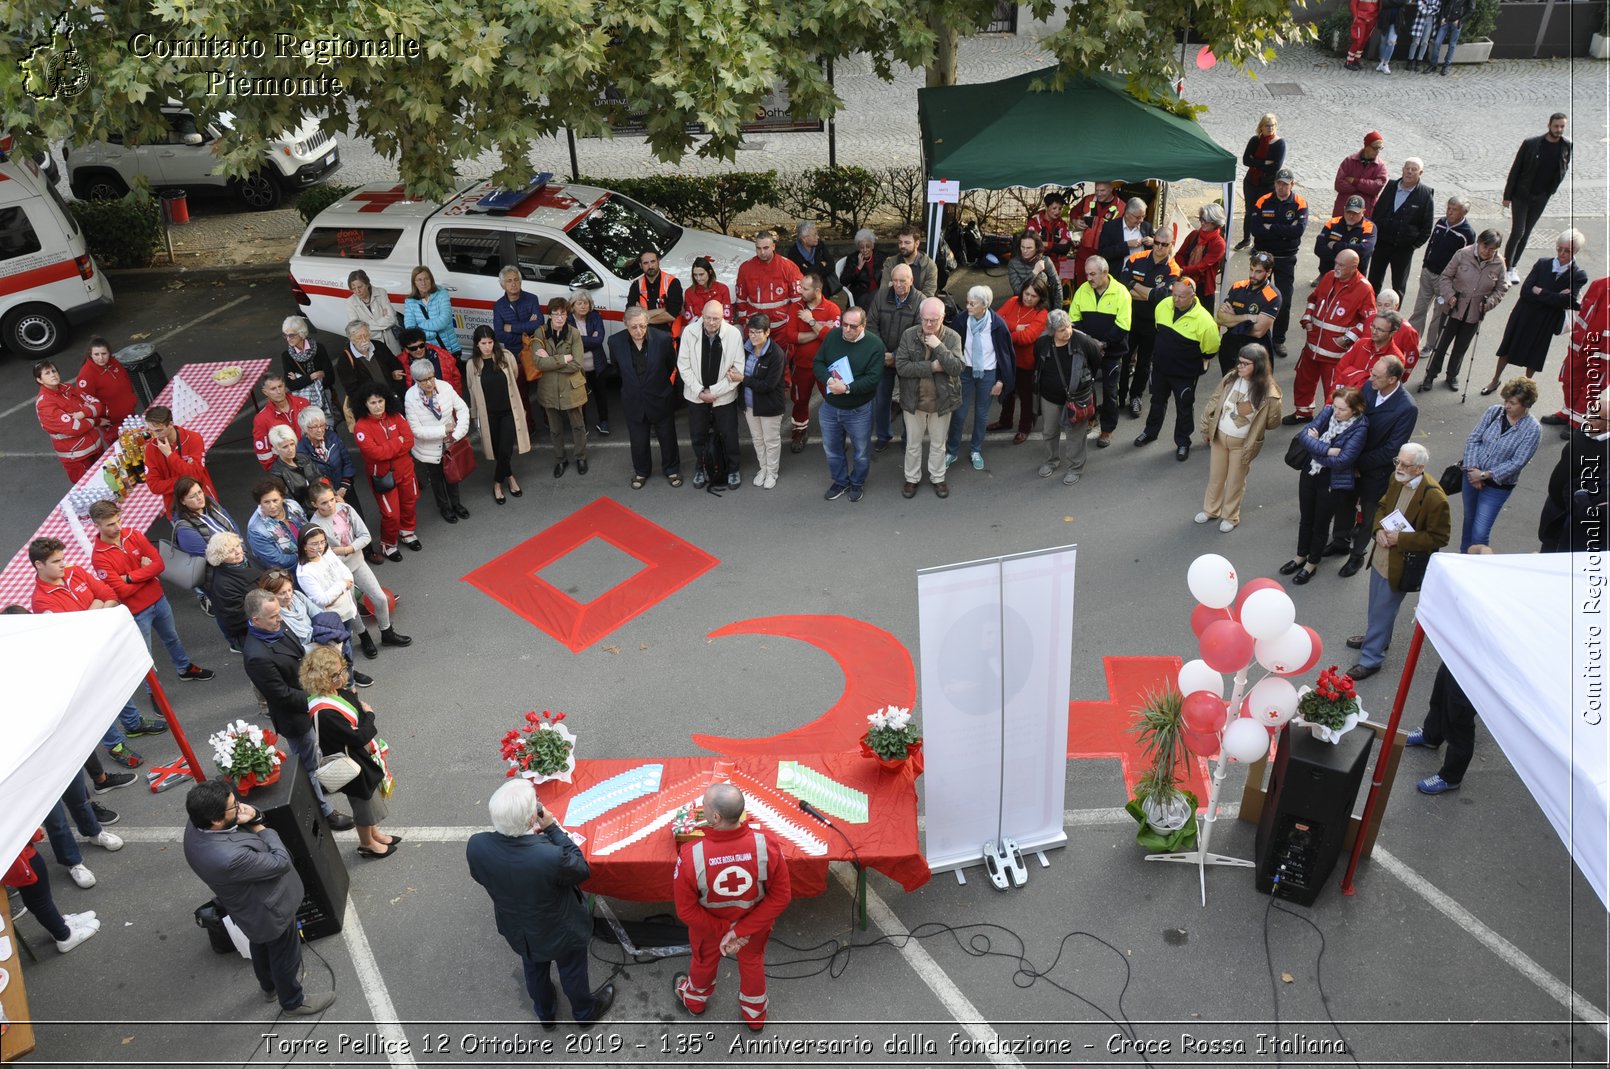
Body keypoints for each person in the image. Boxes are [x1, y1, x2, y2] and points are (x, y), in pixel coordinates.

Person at [467, 779, 615, 1027]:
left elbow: (481, 877)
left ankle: (545, 1014)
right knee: (572, 971)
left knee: (534, 970)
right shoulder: (549, 856)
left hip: (519, 929)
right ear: (530, 820)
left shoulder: (477, 845)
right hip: (561, 930)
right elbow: (580, 868)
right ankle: (584, 1013)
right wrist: (553, 830)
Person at [183, 778, 337, 1015]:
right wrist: (259, 824)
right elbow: (281, 861)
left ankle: (269, 987)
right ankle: (293, 1002)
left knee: (261, 945)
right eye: (234, 807)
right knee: (286, 955)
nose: (240, 808)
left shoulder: (195, 827)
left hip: (247, 909)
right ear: (215, 820)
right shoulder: (227, 857)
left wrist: (241, 814)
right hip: (270, 910)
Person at [29, 537, 160, 768]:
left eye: (63, 558)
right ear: (39, 565)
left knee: (119, 688)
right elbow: (72, 632)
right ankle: (115, 746)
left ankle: (133, 724)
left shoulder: (75, 571)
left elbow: (110, 595)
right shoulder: (41, 601)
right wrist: (96, 606)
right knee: (97, 704)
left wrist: (91, 612)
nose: (63, 564)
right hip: (82, 659)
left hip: (104, 646)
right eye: (56, 561)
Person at [672, 783, 792, 1032]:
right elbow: (780, 896)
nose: (701, 809)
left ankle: (695, 1001)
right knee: (752, 962)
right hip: (754, 926)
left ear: (715, 817)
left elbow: (687, 911)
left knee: (704, 962)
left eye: (704, 806)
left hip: (709, 929)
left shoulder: (691, 855)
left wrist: (726, 930)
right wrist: (740, 931)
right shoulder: (765, 845)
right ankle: (755, 1014)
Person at [240, 588, 355, 830]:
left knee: (317, 754)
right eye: (272, 617)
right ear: (255, 620)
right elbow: (281, 696)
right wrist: (320, 699)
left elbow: (300, 658)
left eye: (278, 614)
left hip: (310, 701)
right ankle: (325, 811)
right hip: (297, 718)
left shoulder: (276, 628)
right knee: (310, 764)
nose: (280, 620)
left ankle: (320, 789)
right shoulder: (256, 656)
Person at [1345, 442, 1451, 680]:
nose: (1399, 467)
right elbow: (1382, 506)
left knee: (1383, 610)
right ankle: (1378, 638)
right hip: (1381, 555)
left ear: (1420, 467)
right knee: (1377, 606)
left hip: (1400, 564)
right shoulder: (1397, 479)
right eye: (1398, 462)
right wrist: (1378, 530)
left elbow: (1439, 537)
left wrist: (1400, 539)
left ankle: (1371, 659)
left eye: (1405, 464)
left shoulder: (1435, 498)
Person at [89, 499, 214, 682]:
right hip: (137, 611)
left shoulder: (135, 535)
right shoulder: (99, 558)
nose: (117, 527)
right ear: (96, 525)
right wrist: (146, 574)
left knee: (172, 638)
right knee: (144, 655)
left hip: (158, 600)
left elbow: (159, 565)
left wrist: (130, 577)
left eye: (118, 520)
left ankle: (184, 667)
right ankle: (154, 693)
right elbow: (122, 591)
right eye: (110, 524)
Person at [301, 644, 398, 857]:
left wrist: (364, 718)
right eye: (335, 674)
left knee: (370, 798)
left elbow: (358, 718)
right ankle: (367, 843)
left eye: (342, 670)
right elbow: (360, 734)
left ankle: (374, 835)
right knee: (363, 804)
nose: (342, 677)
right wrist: (370, 716)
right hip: (351, 761)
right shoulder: (325, 711)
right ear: (321, 677)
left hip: (356, 755)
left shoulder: (337, 691)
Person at [1331, 355, 1419, 575]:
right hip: (1353, 464)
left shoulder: (1406, 408)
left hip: (1375, 472)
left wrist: (1358, 461)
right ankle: (1340, 542)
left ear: (1392, 379)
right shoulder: (1369, 388)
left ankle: (1357, 555)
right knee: (1344, 504)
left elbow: (1392, 449)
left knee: (1369, 515)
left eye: (1376, 376)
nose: (1370, 378)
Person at [307, 482, 409, 655]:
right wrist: (347, 551)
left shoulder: (345, 508)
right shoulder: (315, 526)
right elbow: (321, 555)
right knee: (352, 609)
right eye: (324, 503)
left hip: (357, 563)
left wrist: (346, 549)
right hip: (337, 573)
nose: (330, 505)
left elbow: (365, 536)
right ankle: (364, 638)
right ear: (314, 504)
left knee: (380, 598)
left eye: (332, 499)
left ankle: (387, 632)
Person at [1484, 229, 1589, 393]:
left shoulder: (1578, 275)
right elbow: (1525, 291)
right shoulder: (1543, 263)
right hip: (1523, 314)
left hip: (1546, 321)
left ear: (1576, 251)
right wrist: (1555, 297)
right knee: (1507, 348)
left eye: (1567, 251)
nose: (1561, 254)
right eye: (1559, 248)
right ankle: (1494, 380)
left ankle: (1525, 390)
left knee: (1534, 356)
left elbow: (1569, 302)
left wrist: (1540, 291)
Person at [1284, 386, 1369, 584]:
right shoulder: (1328, 410)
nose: (1336, 412)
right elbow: (1304, 435)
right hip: (1310, 472)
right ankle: (1300, 556)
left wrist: (1315, 447)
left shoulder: (1360, 428)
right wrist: (1328, 450)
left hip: (1331, 480)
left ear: (1355, 410)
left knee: (1320, 523)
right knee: (1306, 518)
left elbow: (1343, 461)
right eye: (1336, 406)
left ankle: (1311, 564)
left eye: (1342, 410)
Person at [1195, 347, 1284, 531]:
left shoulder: (1269, 391)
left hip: (1243, 443)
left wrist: (1275, 399)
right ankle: (1211, 510)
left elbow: (1273, 422)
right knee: (1216, 477)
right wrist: (1205, 427)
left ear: (1258, 366)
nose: (1240, 366)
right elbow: (1215, 400)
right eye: (1239, 361)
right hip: (1219, 437)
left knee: (1236, 480)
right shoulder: (1231, 377)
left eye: (1245, 364)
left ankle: (1231, 516)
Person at [1285, 249, 1376, 424]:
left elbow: (1368, 321)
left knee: (1333, 389)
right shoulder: (1328, 277)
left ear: (1354, 267)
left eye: (1341, 265)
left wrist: (1348, 338)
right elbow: (1313, 298)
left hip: (1335, 354)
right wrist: (1307, 318)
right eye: (1335, 263)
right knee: (1303, 380)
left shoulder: (1364, 289)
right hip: (1312, 345)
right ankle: (1303, 413)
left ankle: (1333, 421)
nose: (1336, 267)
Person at [1135, 278, 1222, 462]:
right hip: (1160, 369)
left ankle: (1183, 442)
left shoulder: (1205, 321)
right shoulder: (1163, 306)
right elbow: (1158, 328)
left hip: (1184, 375)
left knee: (1184, 407)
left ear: (1193, 296)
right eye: (1174, 294)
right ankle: (1150, 432)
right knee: (1157, 401)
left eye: (1181, 296)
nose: (1176, 299)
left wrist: (1199, 364)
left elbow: (1211, 349)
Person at [1456, 379, 1542, 550]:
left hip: (1497, 485)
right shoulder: (1494, 412)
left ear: (1526, 404)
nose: (1507, 405)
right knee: (1469, 520)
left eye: (1512, 403)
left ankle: (1479, 565)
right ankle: (1463, 556)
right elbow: (1474, 439)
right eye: (1506, 401)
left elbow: (1518, 461)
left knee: (1480, 531)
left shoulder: (1533, 429)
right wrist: (1473, 471)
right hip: (1471, 476)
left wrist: (1484, 475)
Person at [1420, 229, 1508, 392]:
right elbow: (1446, 277)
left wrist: (1488, 303)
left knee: (1461, 347)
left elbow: (1501, 288)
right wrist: (1450, 295)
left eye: (1492, 249)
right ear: (1479, 242)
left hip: (1474, 312)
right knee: (1442, 343)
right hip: (1453, 307)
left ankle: (1452, 375)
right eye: (1485, 247)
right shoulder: (1463, 254)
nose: (1487, 252)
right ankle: (1430, 375)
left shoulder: (1499, 263)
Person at [814, 306, 886, 501]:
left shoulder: (875, 345)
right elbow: (818, 362)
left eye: (853, 326)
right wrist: (829, 381)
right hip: (830, 408)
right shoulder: (833, 336)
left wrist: (846, 388)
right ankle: (840, 481)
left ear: (863, 326)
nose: (847, 330)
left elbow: (873, 379)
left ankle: (857, 482)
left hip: (858, 410)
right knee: (832, 450)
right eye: (844, 324)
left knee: (861, 452)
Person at [895, 297, 964, 498]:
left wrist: (939, 347)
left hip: (942, 401)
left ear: (943, 318)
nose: (928, 324)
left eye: (934, 320)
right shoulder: (909, 335)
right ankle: (912, 478)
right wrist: (931, 367)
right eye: (925, 319)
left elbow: (957, 368)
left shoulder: (952, 337)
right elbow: (901, 366)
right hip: (914, 401)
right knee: (913, 444)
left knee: (938, 444)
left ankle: (938, 477)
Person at [611, 307, 683, 489]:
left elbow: (670, 366)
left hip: (660, 396)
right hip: (633, 399)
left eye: (643, 326)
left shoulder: (663, 339)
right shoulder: (615, 342)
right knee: (638, 439)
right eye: (634, 327)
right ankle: (641, 471)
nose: (639, 331)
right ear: (625, 324)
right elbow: (618, 369)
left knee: (667, 437)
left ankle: (672, 469)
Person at [946, 285, 1016, 470]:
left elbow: (1006, 355)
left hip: (988, 373)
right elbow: (952, 346)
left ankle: (975, 449)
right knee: (959, 413)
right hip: (966, 372)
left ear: (984, 306)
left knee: (982, 414)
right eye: (967, 302)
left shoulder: (998, 325)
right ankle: (951, 450)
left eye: (972, 303)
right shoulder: (961, 321)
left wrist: (1001, 380)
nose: (967, 306)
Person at [349, 382, 422, 559]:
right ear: (364, 404)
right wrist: (397, 442)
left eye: (380, 401)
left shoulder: (396, 416)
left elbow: (409, 441)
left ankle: (407, 533)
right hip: (383, 477)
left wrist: (389, 448)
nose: (378, 406)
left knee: (409, 504)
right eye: (373, 402)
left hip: (406, 471)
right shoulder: (361, 427)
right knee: (391, 515)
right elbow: (375, 453)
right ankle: (388, 544)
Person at [296, 407, 378, 564]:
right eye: (315, 427)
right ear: (306, 430)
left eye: (322, 425)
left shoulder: (332, 436)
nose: (321, 430)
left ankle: (368, 551)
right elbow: (312, 478)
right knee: (336, 527)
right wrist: (334, 495)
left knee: (356, 520)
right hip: (326, 495)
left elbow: (347, 461)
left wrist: (344, 487)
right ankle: (345, 558)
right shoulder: (301, 451)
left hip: (345, 488)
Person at [678, 299, 745, 489]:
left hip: (723, 397)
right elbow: (684, 366)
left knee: (729, 434)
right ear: (702, 315)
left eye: (716, 319)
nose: (712, 323)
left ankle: (733, 470)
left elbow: (737, 369)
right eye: (708, 318)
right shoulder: (689, 332)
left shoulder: (733, 334)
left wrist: (714, 392)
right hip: (695, 396)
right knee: (698, 435)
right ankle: (701, 467)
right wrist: (699, 391)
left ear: (723, 317)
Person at [1068, 255, 1132, 447]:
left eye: (1093, 274)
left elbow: (1123, 325)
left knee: (1110, 391)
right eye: (1087, 274)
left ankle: (1107, 429)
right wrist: (1090, 343)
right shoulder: (1082, 290)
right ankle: (1090, 418)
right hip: (1088, 350)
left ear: (1105, 272)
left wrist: (1103, 344)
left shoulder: (1121, 292)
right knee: (1087, 388)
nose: (1089, 278)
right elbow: (1074, 319)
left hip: (1112, 352)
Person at [1034, 309, 1103, 487]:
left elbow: (1095, 360)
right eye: (1062, 330)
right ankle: (1051, 461)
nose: (1068, 332)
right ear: (1052, 331)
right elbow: (1038, 365)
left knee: (1075, 435)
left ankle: (1075, 468)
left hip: (1077, 398)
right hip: (1049, 398)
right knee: (1049, 432)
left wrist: (1085, 383)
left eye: (1068, 327)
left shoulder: (1083, 341)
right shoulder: (1042, 342)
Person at [1118, 229, 1181, 418]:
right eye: (1157, 243)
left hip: (1153, 324)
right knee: (1124, 359)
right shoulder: (1137, 258)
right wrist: (1149, 292)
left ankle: (1135, 397)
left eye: (1164, 244)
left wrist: (1134, 286)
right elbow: (1122, 285)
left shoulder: (1173, 269)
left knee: (1144, 363)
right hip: (1129, 318)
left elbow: (1161, 298)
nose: (1159, 247)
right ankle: (1118, 397)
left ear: (1171, 245)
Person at [7, 827, 100, 954]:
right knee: (40, 900)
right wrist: (36, 832)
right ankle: (64, 936)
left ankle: (57, 925)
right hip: (21, 858)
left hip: (13, 859)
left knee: (33, 898)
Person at [464, 325, 530, 504]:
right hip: (489, 415)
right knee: (498, 449)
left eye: (490, 342)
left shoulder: (506, 357)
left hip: (508, 412)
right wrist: (474, 415)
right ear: (477, 344)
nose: (487, 346)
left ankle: (498, 483)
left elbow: (514, 377)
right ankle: (509, 476)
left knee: (505, 449)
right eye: (483, 343)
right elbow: (472, 390)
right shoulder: (472, 364)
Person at [1539, 387, 1609, 552]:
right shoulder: (1584, 430)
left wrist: (1573, 505)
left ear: (1607, 426)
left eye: (1594, 417)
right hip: (1553, 502)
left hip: (1571, 512)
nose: (1586, 418)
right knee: (1546, 543)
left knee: (1559, 553)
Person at [1502, 114, 1572, 279]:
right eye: (1556, 126)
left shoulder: (1567, 145)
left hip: (1541, 196)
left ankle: (1512, 267)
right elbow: (1516, 169)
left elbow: (1563, 167)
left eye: (1562, 126)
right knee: (1518, 231)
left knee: (1526, 233)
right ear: (1549, 125)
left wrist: (1550, 191)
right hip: (1522, 194)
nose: (1559, 130)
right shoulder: (1531, 144)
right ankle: (1505, 267)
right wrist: (1507, 195)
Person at [403, 357, 472, 523]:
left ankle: (456, 504)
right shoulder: (410, 397)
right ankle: (444, 508)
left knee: (452, 473)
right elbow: (416, 430)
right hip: (428, 447)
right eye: (424, 380)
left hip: (450, 441)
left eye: (431, 377)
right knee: (436, 478)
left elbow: (462, 409)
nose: (429, 383)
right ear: (415, 380)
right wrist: (443, 430)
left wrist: (457, 434)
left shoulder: (445, 387)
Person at [1249, 169, 1309, 357]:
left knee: (1284, 300)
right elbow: (1255, 229)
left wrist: (1271, 227)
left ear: (1292, 184)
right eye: (1278, 183)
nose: (1281, 187)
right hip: (1262, 257)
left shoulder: (1300, 203)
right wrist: (1283, 231)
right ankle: (1253, 335)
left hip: (1285, 258)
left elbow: (1298, 231)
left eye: (1285, 184)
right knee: (1254, 297)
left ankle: (1278, 339)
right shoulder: (1263, 200)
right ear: (1274, 183)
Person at [1406, 195, 1475, 355]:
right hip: (1428, 272)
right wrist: (1425, 264)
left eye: (1454, 210)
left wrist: (1454, 282)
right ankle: (1411, 340)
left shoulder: (1467, 233)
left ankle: (1430, 345)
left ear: (1463, 213)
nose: (1449, 212)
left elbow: (1466, 261)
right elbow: (1431, 244)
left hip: (1446, 280)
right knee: (1419, 309)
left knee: (1439, 313)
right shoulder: (1441, 223)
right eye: (1448, 208)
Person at [864, 264, 921, 454]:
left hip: (907, 360)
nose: (898, 285)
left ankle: (908, 438)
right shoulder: (880, 296)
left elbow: (919, 335)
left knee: (908, 401)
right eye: (895, 280)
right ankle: (882, 436)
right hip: (882, 357)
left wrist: (896, 356)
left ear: (911, 281)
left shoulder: (921, 301)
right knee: (881, 400)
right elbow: (871, 325)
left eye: (902, 281)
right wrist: (883, 354)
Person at [1406, 655, 1480, 795]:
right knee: (1441, 690)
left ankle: (1451, 777)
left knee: (1459, 713)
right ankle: (1431, 735)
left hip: (1478, 659)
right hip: (1458, 650)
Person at [532, 300, 591, 478]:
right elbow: (538, 363)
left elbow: (578, 364)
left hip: (572, 388)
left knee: (578, 426)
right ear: (549, 315)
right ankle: (560, 459)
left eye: (563, 314)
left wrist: (550, 360)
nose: (559, 318)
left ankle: (581, 457)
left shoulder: (574, 333)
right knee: (555, 429)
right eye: (556, 314)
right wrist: (564, 358)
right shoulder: (540, 333)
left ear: (567, 315)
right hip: (549, 389)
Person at [787, 273, 842, 455]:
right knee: (800, 401)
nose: (799, 291)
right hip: (802, 366)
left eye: (805, 288)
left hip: (826, 367)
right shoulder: (795, 308)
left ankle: (837, 434)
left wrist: (811, 321)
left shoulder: (832, 309)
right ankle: (799, 432)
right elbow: (791, 336)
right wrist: (819, 328)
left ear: (817, 291)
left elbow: (832, 337)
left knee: (833, 400)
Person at [992, 277, 1051, 442]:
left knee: (1026, 397)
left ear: (1041, 297)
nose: (1029, 298)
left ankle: (1025, 428)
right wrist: (1015, 327)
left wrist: (1005, 333)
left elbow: (1027, 337)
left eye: (1034, 296)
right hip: (1007, 359)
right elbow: (995, 320)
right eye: (1027, 294)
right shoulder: (1012, 301)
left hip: (1026, 363)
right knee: (1007, 393)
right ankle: (1005, 421)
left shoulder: (1042, 313)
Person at [733, 315, 787, 489]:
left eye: (758, 332)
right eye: (751, 332)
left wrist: (743, 379)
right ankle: (763, 469)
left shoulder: (776, 354)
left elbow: (768, 385)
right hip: (749, 405)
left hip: (769, 405)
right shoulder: (745, 348)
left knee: (770, 440)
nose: (753, 336)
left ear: (768, 332)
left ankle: (772, 472)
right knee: (757, 439)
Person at [1367, 159, 1435, 296]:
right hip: (1382, 244)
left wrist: (1413, 245)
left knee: (1398, 285)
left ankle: (1393, 315)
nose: (1409, 172)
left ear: (1420, 173)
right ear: (1402, 169)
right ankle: (1369, 310)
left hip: (1403, 249)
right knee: (1373, 280)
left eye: (1414, 169)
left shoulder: (1425, 194)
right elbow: (1378, 212)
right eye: (1407, 168)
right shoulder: (1391, 185)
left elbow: (1427, 227)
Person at [172, 475, 238, 614]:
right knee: (232, 610)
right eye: (192, 497)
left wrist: (239, 547)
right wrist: (237, 555)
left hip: (236, 558)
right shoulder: (184, 529)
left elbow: (232, 524)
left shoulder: (211, 503)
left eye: (199, 492)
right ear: (182, 501)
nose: (199, 498)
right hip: (220, 575)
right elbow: (209, 556)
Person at [1552, 276, 1610, 433]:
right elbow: (1584, 311)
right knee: (1570, 378)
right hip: (1581, 343)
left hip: (1605, 352)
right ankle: (1567, 412)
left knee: (1591, 386)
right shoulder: (1600, 283)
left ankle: (1576, 421)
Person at [35, 358, 108, 482]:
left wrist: (82, 413)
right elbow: (72, 427)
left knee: (110, 481)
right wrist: (93, 421)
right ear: (39, 380)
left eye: (54, 371)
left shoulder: (67, 388)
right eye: (47, 373)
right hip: (77, 458)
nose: (53, 374)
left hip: (96, 448)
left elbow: (97, 404)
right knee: (89, 491)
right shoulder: (45, 403)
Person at [139, 403, 217, 516]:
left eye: (159, 430)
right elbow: (154, 486)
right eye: (151, 431)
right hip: (176, 509)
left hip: (203, 501)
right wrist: (185, 480)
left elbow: (196, 476)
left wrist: (170, 455)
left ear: (170, 424)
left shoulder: (193, 438)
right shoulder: (151, 449)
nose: (155, 436)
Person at [1217, 252, 1282, 371]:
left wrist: (1232, 319)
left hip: (1255, 351)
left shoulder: (1273, 296)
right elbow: (1220, 318)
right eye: (1251, 269)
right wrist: (1247, 317)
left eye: (1258, 271)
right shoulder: (1238, 286)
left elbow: (1258, 331)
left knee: (1252, 389)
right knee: (1228, 385)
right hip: (1230, 347)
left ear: (1268, 272)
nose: (1253, 275)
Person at [334, 321, 408, 422]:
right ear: (351, 339)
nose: (364, 340)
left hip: (392, 399)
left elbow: (396, 366)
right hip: (372, 409)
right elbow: (352, 391)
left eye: (366, 335)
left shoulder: (379, 346)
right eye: (359, 337)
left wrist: (395, 376)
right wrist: (374, 402)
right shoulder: (345, 360)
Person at [735, 231, 803, 340]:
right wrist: (744, 321)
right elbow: (741, 299)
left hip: (781, 327)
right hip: (755, 327)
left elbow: (797, 300)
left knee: (782, 356)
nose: (762, 252)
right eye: (758, 248)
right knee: (754, 356)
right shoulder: (745, 268)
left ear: (773, 246)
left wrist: (793, 323)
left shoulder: (788, 267)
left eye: (766, 248)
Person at [1237, 114, 1285, 251]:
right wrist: (1264, 162)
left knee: (1263, 213)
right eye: (1267, 126)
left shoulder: (1280, 143)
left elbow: (1276, 166)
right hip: (1251, 181)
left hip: (1268, 184)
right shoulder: (1255, 141)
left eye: (1273, 125)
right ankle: (1246, 239)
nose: (1270, 128)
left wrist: (1256, 162)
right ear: (1261, 127)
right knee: (1249, 211)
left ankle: (1259, 242)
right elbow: (1246, 160)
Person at [279, 316, 339, 426]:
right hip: (303, 401)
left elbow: (330, 378)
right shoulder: (286, 356)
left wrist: (300, 379)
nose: (288, 339)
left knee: (328, 427)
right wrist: (313, 376)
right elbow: (291, 385)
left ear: (301, 333)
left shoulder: (319, 348)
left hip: (325, 398)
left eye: (291, 335)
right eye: (285, 335)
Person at [75, 337, 137, 441]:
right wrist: (97, 420)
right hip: (112, 424)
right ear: (90, 354)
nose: (101, 358)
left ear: (109, 353)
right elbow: (83, 401)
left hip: (130, 415)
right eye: (96, 354)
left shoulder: (114, 363)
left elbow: (127, 381)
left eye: (104, 354)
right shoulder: (86, 374)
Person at [250, 374, 313, 471]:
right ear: (265, 392)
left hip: (313, 459)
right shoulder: (261, 419)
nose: (278, 391)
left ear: (284, 385)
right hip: (288, 468)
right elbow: (263, 453)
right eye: (273, 389)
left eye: (280, 386)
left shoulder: (303, 403)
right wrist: (278, 473)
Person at [1069, 182, 1125, 287]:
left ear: (1111, 189)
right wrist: (1075, 221)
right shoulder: (1088, 199)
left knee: (1102, 286)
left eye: (1102, 190)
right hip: (1084, 252)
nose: (1098, 194)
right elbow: (1073, 212)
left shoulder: (1122, 207)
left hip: (1106, 254)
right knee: (1082, 285)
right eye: (1096, 190)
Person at [246, 477, 306, 571]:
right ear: (260, 503)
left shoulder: (293, 505)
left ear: (282, 498)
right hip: (289, 572)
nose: (272, 506)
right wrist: (306, 554)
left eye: (275, 500)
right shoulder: (255, 529)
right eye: (266, 502)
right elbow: (276, 561)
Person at [1334, 312, 1406, 391]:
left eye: (1380, 330)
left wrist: (1354, 375)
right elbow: (1340, 369)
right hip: (1345, 394)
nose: (1374, 332)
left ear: (1392, 333)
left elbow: (1386, 387)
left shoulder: (1397, 358)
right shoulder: (1360, 344)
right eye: (1373, 326)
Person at [571, 292, 610, 436]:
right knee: (581, 398)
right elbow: (570, 343)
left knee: (601, 395)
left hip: (597, 364)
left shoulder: (595, 316)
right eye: (579, 303)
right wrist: (589, 340)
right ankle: (583, 425)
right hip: (578, 367)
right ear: (573, 306)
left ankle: (604, 421)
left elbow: (599, 340)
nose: (583, 306)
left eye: (586, 303)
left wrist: (580, 341)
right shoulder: (568, 320)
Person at [1314, 195, 1378, 280]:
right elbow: (1319, 248)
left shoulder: (1369, 227)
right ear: (1344, 209)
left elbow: (1364, 250)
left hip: (1354, 278)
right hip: (1329, 273)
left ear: (1363, 211)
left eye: (1355, 213)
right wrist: (1346, 259)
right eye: (1349, 212)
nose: (1351, 216)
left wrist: (1337, 246)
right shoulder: (1333, 222)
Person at [1176, 205, 1227, 309]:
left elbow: (1201, 267)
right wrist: (1181, 270)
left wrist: (1182, 270)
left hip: (1203, 288)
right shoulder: (1194, 234)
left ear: (1215, 223)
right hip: (1184, 282)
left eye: (1206, 221)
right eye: (1201, 219)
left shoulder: (1219, 243)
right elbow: (1179, 254)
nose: (1202, 223)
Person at [627, 248, 685, 338]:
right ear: (640, 265)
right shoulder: (636, 285)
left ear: (658, 261)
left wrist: (643, 317)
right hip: (643, 337)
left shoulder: (672, 282)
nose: (650, 266)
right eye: (646, 263)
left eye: (653, 261)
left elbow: (672, 315)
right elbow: (631, 314)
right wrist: (663, 310)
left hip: (668, 338)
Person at [266, 425, 324, 513]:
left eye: (292, 444)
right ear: (276, 449)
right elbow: (289, 502)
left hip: (322, 503)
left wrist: (332, 496)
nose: (290, 449)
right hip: (305, 513)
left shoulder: (304, 458)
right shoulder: (276, 473)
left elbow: (320, 479)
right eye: (285, 447)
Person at [492, 265, 545, 358]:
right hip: (512, 353)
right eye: (509, 281)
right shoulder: (499, 306)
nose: (513, 284)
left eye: (516, 280)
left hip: (533, 349)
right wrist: (526, 334)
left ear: (520, 282)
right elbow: (499, 335)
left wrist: (512, 328)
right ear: (502, 285)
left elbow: (539, 323)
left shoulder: (532, 299)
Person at [403, 265, 457, 356]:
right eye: (419, 280)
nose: (423, 283)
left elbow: (443, 321)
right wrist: (430, 334)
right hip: (426, 350)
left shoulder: (442, 294)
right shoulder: (410, 301)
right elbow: (410, 329)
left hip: (447, 348)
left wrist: (420, 325)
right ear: (414, 283)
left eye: (426, 279)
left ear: (431, 280)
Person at [1332, 131, 1388, 216]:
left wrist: (1356, 182)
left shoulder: (1381, 166)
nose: (1377, 151)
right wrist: (1363, 189)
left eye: (1380, 148)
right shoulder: (1349, 161)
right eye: (1375, 148)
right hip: (1343, 210)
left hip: (1364, 213)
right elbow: (1338, 185)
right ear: (1366, 146)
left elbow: (1376, 188)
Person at [783, 221, 840, 301]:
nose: (818, 237)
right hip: (804, 287)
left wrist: (814, 271)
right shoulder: (794, 253)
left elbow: (831, 265)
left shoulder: (820, 246)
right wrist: (820, 265)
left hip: (823, 286)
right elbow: (803, 273)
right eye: (814, 235)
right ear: (804, 239)